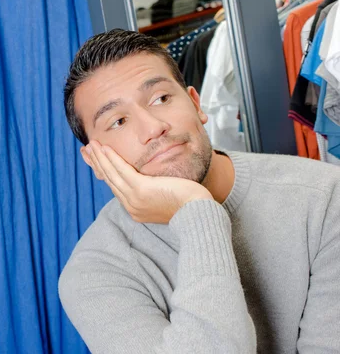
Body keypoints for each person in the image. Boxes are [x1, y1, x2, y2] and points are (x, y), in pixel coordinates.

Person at [58, 29, 340, 353]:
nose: (153, 127)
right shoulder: (94, 272)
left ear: (196, 103)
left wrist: (193, 208)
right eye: (118, 121)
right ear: (94, 160)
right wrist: (196, 210)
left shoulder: (326, 198)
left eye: (161, 98)